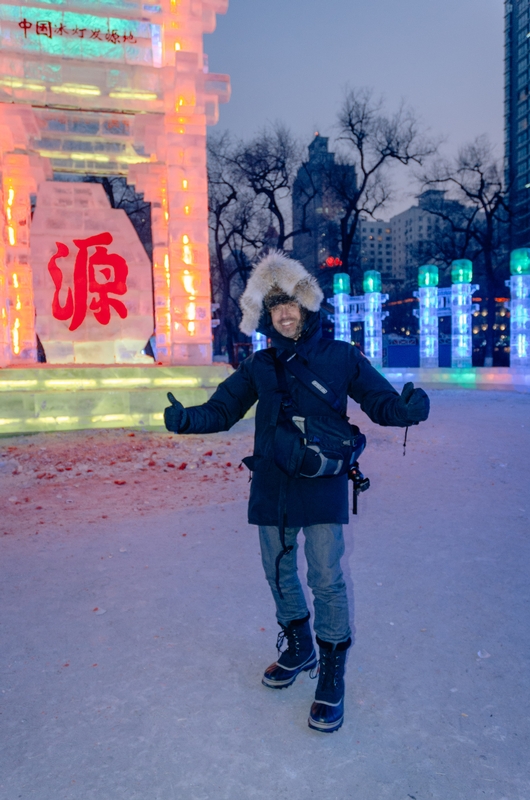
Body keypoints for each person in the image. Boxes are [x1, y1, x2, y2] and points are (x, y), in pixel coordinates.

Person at [164, 251, 429, 733]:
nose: (285, 314)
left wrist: (405, 410)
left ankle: (331, 669)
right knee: (279, 571)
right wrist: (188, 420)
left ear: (308, 305)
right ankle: (300, 645)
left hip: (322, 477)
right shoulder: (259, 364)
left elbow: (378, 400)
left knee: (325, 576)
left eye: (291, 304)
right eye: (275, 307)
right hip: (272, 480)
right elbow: (223, 409)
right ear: (265, 316)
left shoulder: (342, 355)